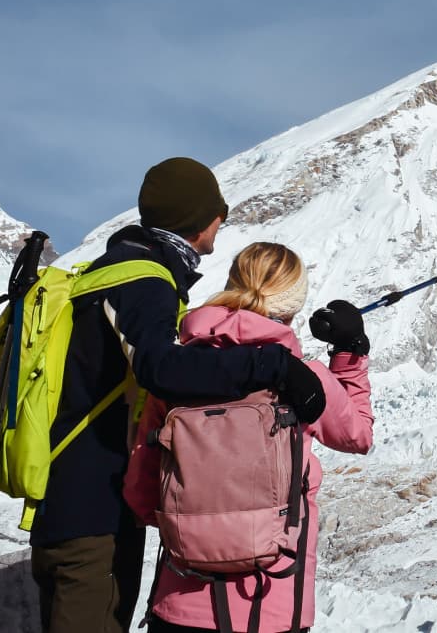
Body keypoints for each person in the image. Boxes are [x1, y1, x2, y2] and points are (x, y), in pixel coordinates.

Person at [30, 158, 329, 633]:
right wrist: (271, 364)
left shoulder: (120, 269)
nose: (222, 222)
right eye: (219, 212)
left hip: (74, 498)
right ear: (198, 219)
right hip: (90, 511)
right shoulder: (143, 279)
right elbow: (160, 369)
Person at [123, 241, 374, 633]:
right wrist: (348, 354)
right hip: (270, 606)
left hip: (179, 603)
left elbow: (141, 494)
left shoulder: (175, 372)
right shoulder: (302, 377)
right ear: (292, 304)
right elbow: (358, 436)